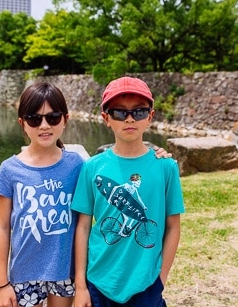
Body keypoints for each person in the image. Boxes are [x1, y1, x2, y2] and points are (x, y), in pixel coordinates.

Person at [0, 81, 172, 307]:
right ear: (22, 123)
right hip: (24, 270)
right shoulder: (10, 170)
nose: (44, 125)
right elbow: (2, 226)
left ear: (66, 120)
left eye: (53, 117)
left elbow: (119, 164)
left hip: (65, 269)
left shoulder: (78, 165)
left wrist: (158, 155)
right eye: (34, 119)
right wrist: (2, 283)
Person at [71, 76, 185, 307]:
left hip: (146, 283)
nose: (130, 119)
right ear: (106, 118)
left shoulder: (166, 167)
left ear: (150, 117)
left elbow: (173, 226)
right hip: (99, 280)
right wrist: (81, 286)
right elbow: (83, 227)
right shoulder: (92, 167)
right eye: (120, 113)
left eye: (139, 112)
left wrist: (160, 279)